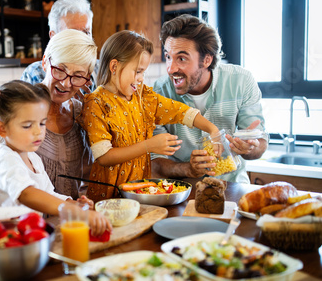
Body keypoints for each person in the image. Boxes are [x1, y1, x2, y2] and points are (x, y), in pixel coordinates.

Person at [79, 30, 219, 202]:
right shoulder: (96, 103)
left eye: (143, 72)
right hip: (108, 197)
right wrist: (149, 146)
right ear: (114, 66)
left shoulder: (143, 96)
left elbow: (179, 111)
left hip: (140, 193)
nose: (141, 78)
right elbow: (104, 157)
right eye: (137, 71)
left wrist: (212, 129)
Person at [0, 29, 97, 203]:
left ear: (87, 80)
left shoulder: (83, 115)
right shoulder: (19, 107)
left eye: (78, 76)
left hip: (61, 222)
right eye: (60, 70)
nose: (65, 83)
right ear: (44, 63)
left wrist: (74, 203)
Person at [0, 80, 111, 236]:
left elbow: (48, 194)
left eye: (42, 123)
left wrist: (74, 205)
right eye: (27, 125)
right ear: (2, 129)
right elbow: (28, 194)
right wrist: (77, 213)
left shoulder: (33, 158)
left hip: (25, 236)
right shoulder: (5, 159)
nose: (38, 132)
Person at [152, 14, 268, 184]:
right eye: (168, 56)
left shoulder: (241, 81)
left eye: (181, 58)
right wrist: (189, 169)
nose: (171, 68)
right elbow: (155, 162)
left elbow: (261, 144)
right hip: (183, 192)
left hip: (233, 187)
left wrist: (250, 147)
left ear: (206, 60)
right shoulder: (159, 92)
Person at [20, 0, 96, 87]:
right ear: (53, 36)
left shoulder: (101, 69)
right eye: (72, 34)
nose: (81, 41)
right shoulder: (35, 73)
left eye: (86, 33)